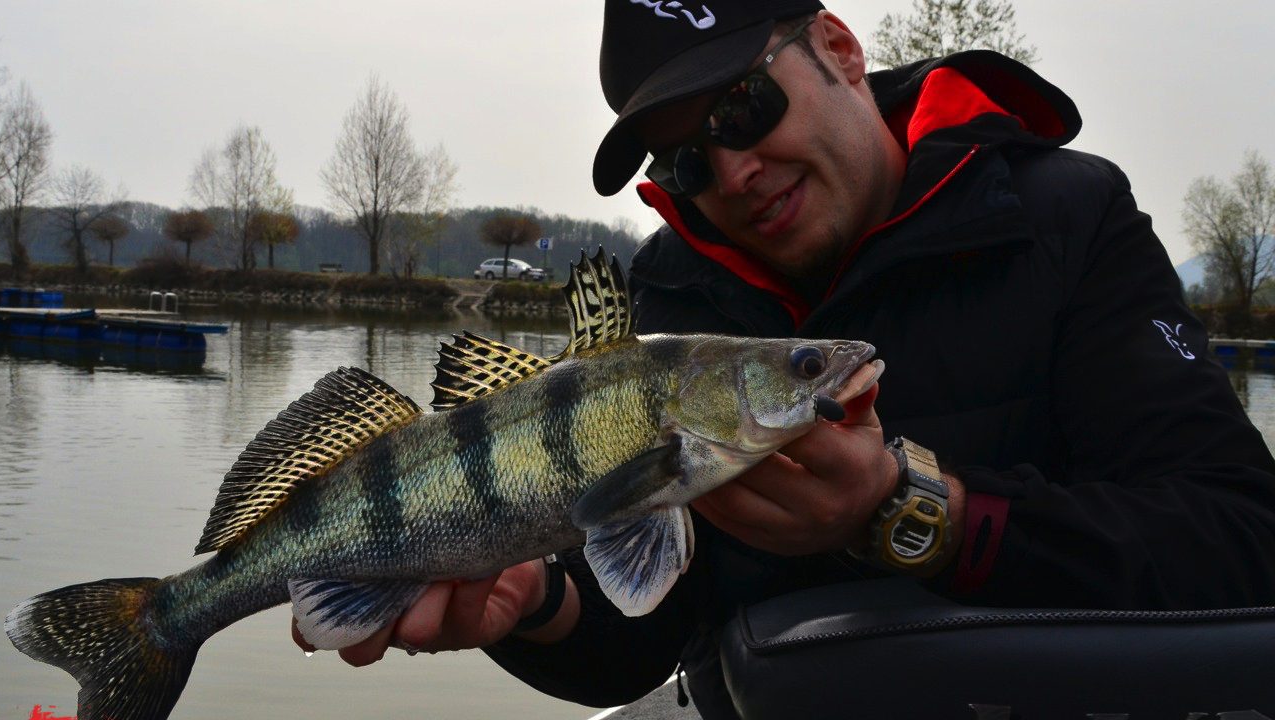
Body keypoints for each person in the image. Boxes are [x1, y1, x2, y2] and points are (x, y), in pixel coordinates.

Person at [295, 1, 1275, 716]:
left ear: (840, 52)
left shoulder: (1065, 219)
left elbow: (1240, 540)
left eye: (741, 108)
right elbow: (649, 628)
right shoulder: (671, 298)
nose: (729, 172)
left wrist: (914, 514)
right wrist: (538, 605)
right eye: (683, 160)